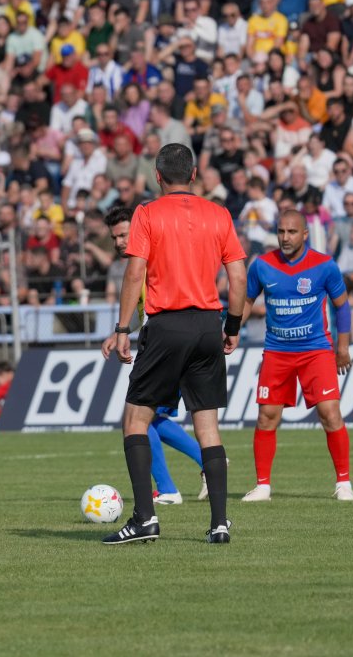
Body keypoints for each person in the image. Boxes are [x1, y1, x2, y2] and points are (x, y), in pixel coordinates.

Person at [100, 143, 246, 545]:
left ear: (158, 176)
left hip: (166, 325)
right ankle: (219, 524)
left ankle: (145, 519)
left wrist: (122, 328)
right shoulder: (219, 214)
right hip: (208, 325)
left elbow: (135, 274)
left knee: (135, 420)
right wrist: (232, 325)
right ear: (194, 174)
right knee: (208, 427)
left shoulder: (147, 214)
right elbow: (238, 277)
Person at [240, 210, 353, 502]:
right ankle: (263, 486)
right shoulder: (262, 265)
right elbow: (248, 299)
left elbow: (342, 305)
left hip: (316, 350)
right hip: (277, 351)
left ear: (305, 234)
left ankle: (344, 483)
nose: (285, 237)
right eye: (281, 231)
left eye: (292, 232)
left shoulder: (324, 265)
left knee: (330, 413)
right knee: (266, 417)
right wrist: (231, 329)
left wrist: (343, 347)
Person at [103, 206, 206, 505]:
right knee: (151, 417)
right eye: (115, 237)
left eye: (124, 235)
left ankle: (169, 489)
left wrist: (125, 331)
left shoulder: (150, 261)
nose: (119, 242)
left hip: (166, 345)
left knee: (138, 418)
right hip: (177, 341)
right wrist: (120, 332)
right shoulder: (142, 261)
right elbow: (143, 311)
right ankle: (207, 461)